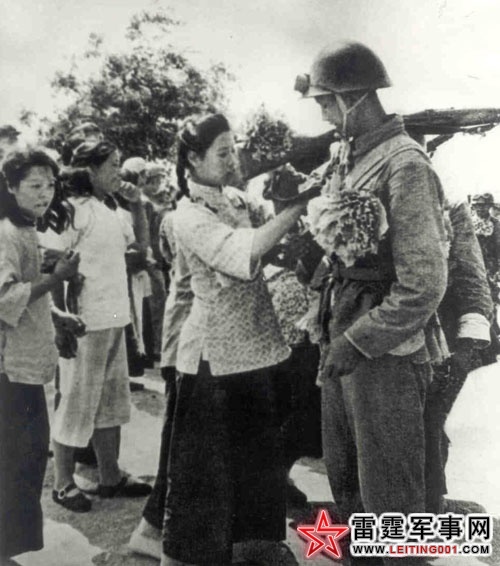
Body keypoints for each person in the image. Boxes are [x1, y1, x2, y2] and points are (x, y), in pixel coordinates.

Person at [295, 42, 448, 565]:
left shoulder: (405, 164)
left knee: (392, 501)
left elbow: (424, 283)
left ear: (355, 97)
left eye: (326, 102)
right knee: (348, 484)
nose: (322, 113)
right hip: (342, 338)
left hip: (385, 353)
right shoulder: (352, 155)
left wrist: (358, 342)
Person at [159, 113, 313, 566]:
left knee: (261, 458)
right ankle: (189, 557)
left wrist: (290, 215)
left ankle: (257, 545)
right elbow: (240, 253)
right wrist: (298, 206)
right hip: (214, 358)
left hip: (258, 346)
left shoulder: (236, 199)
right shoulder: (187, 215)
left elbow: (270, 244)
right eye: (222, 153)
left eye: (233, 150)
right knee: (206, 474)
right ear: (193, 159)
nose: (232, 160)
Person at [49, 139, 152, 513]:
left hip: (114, 318)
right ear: (89, 170)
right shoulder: (69, 211)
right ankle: (63, 483)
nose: (118, 172)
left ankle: (110, 476)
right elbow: (51, 264)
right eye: (112, 165)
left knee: (110, 403)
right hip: (84, 323)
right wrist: (59, 318)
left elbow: (140, 249)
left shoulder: (111, 209)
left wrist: (137, 205)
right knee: (76, 402)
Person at [0, 148, 80, 563]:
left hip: (25, 366)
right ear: (11, 187)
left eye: (49, 185)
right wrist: (56, 279)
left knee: (27, 460)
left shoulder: (26, 228)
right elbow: (4, 298)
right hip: (9, 370)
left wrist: (59, 316)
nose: (44, 193)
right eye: (34, 185)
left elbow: (27, 293)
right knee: (16, 461)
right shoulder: (5, 233)